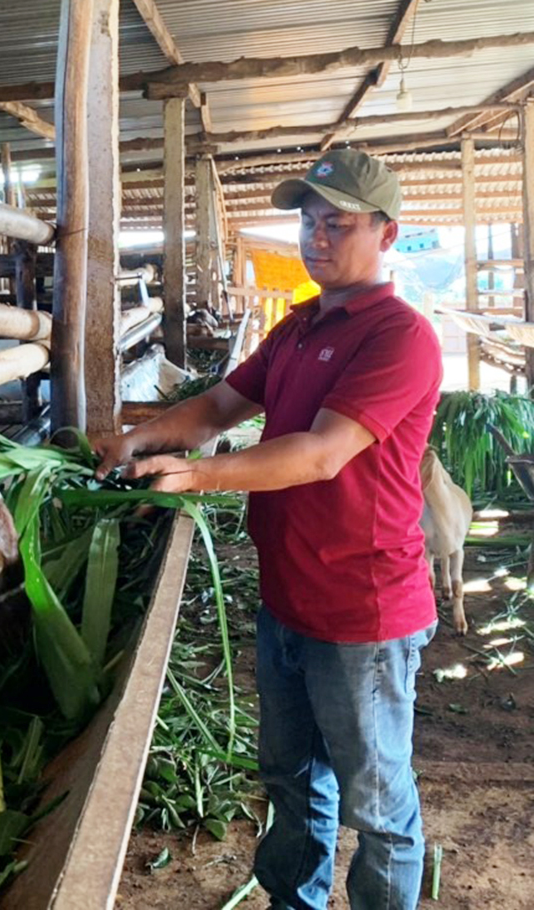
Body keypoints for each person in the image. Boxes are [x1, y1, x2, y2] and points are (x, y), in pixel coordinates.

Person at [93, 148, 442, 910]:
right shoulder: (300, 326)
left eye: (338, 225)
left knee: (377, 807)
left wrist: (199, 476)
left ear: (387, 235)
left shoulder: (400, 337)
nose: (317, 240)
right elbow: (221, 405)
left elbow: (320, 455)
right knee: (289, 779)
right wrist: (142, 439)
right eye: (311, 223)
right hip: (288, 602)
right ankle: (294, 903)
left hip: (364, 614)